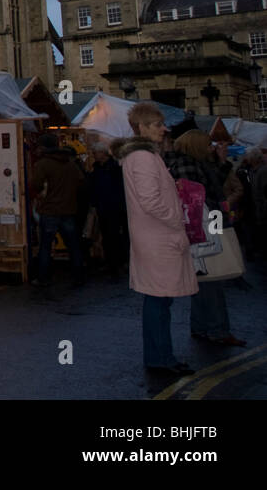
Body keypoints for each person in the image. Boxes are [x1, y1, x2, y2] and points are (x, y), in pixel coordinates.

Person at [115, 102, 197, 376]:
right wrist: (177, 218)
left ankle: (159, 356)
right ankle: (162, 359)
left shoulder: (143, 156)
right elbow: (150, 201)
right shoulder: (143, 157)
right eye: (158, 124)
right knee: (159, 302)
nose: (165, 129)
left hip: (154, 237)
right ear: (142, 127)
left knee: (159, 301)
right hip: (158, 238)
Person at [165, 130, 246, 348]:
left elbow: (213, 185)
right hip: (203, 225)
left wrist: (222, 162)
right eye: (207, 144)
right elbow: (201, 197)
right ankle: (218, 330)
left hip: (204, 223)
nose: (211, 147)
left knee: (202, 279)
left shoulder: (189, 162)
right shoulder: (188, 165)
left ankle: (201, 327)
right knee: (212, 279)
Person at [30, 132, 84, 287]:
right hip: (68, 209)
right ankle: (78, 276)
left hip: (50, 210)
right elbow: (80, 182)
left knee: (46, 247)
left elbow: (36, 185)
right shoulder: (70, 163)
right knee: (73, 246)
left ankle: (43, 277)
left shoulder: (43, 164)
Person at [88, 140, 129, 279]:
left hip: (114, 207)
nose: (94, 155)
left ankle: (116, 262)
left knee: (113, 236)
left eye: (95, 152)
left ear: (103, 153)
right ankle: (114, 262)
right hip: (105, 207)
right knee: (108, 236)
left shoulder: (113, 168)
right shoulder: (101, 168)